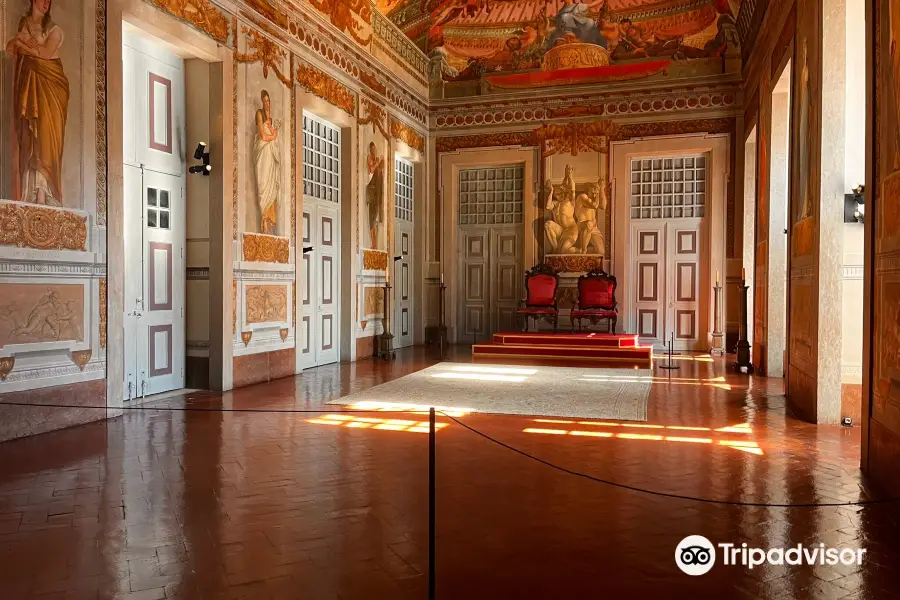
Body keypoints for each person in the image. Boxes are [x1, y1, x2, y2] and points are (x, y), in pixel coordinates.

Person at [5, 0, 69, 206]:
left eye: (49, 0)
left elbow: (44, 54)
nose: (46, 3)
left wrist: (21, 44)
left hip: (52, 92)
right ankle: (30, 192)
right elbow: (9, 49)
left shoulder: (54, 30)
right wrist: (19, 44)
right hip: (30, 90)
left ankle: (45, 194)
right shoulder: (24, 24)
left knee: (46, 142)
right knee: (31, 140)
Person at [253, 89, 281, 235]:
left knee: (272, 188)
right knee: (263, 183)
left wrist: (274, 134)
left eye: (268, 100)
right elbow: (263, 136)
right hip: (263, 153)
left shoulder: (271, 119)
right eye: (264, 101)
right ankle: (264, 220)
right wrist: (274, 135)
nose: (266, 103)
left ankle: (269, 222)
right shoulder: (259, 114)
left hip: (271, 154)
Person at [366, 142, 385, 249]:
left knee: (377, 218)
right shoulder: (370, 158)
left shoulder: (376, 159)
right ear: (370, 149)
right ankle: (373, 244)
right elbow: (371, 170)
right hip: (372, 191)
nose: (374, 151)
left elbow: (379, 171)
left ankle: (375, 244)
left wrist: (380, 163)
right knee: (372, 218)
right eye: (372, 149)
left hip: (377, 192)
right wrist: (377, 163)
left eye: (375, 149)